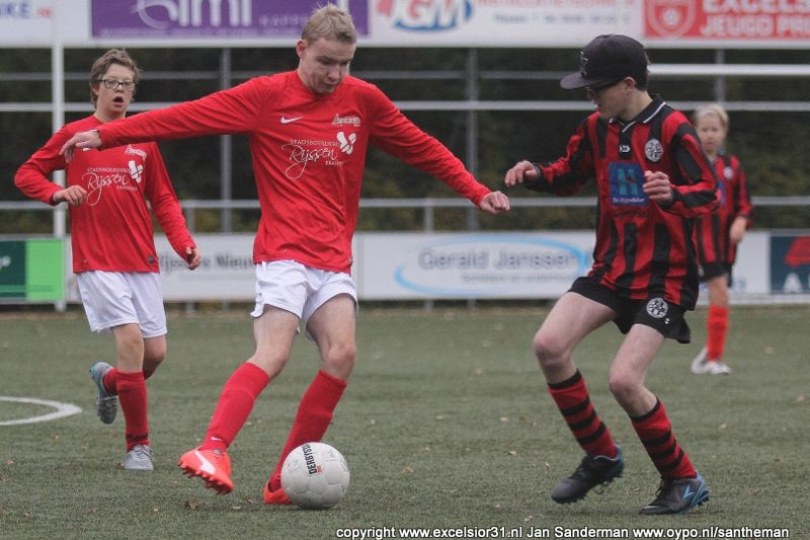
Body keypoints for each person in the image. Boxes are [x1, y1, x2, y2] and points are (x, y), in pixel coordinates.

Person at [60, 5, 510, 503]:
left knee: (342, 355)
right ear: (301, 49)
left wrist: (475, 190)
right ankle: (213, 448)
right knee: (273, 353)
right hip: (283, 253)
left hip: (333, 257)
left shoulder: (363, 100)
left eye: (344, 63)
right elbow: (185, 117)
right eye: (324, 61)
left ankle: (281, 482)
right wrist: (107, 134)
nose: (334, 74)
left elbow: (420, 146)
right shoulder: (265, 96)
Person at [504, 34, 718, 515]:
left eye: (595, 87)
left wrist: (673, 196)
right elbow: (568, 174)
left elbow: (709, 193)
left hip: (666, 277)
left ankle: (683, 478)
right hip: (611, 270)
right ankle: (601, 453)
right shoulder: (596, 128)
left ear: (627, 83)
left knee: (624, 380)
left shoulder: (675, 128)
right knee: (549, 345)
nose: (589, 95)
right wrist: (536, 174)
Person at [15, 49, 201, 471]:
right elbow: (27, 173)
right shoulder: (75, 135)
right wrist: (56, 193)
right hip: (96, 259)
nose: (120, 91)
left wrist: (182, 241)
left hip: (140, 259)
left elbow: (164, 199)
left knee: (154, 353)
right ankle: (138, 446)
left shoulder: (143, 138)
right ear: (96, 87)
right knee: (132, 341)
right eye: (113, 83)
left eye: (128, 84)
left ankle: (108, 380)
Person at [689, 103, 752, 375]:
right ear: (694, 131)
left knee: (720, 294)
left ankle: (711, 355)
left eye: (715, 129)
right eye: (704, 129)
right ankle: (712, 357)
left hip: (722, 245)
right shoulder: (687, 165)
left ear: (724, 132)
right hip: (693, 242)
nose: (710, 135)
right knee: (715, 293)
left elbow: (744, 203)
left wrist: (740, 221)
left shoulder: (732, 166)